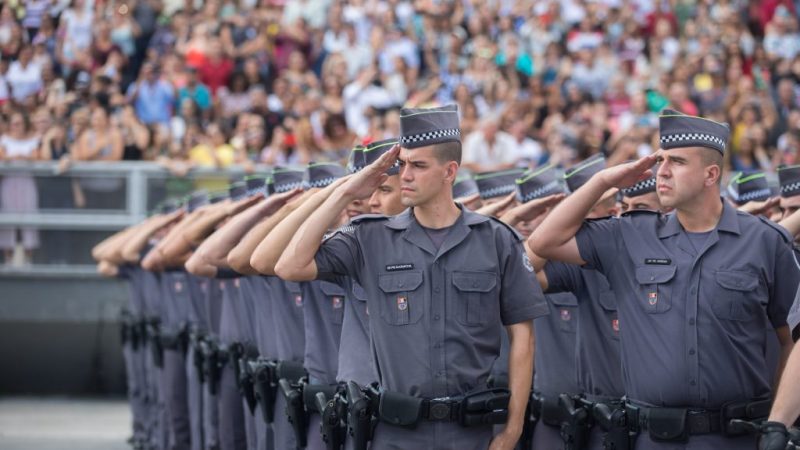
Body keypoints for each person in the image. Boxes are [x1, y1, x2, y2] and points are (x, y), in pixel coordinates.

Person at [275, 104, 547, 450]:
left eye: (418, 166)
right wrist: (346, 191)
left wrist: (512, 430)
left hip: (471, 434)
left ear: (450, 171)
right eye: (402, 164)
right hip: (396, 433)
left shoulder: (495, 239)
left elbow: (523, 338)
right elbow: (289, 266)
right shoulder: (369, 238)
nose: (405, 175)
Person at [530, 109, 800, 449]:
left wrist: (777, 422)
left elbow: (791, 339)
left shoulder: (764, 241)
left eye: (677, 162)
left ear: (710, 174)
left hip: (736, 438)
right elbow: (541, 243)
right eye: (660, 161)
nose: (662, 172)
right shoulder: (630, 235)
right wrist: (603, 182)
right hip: (651, 438)